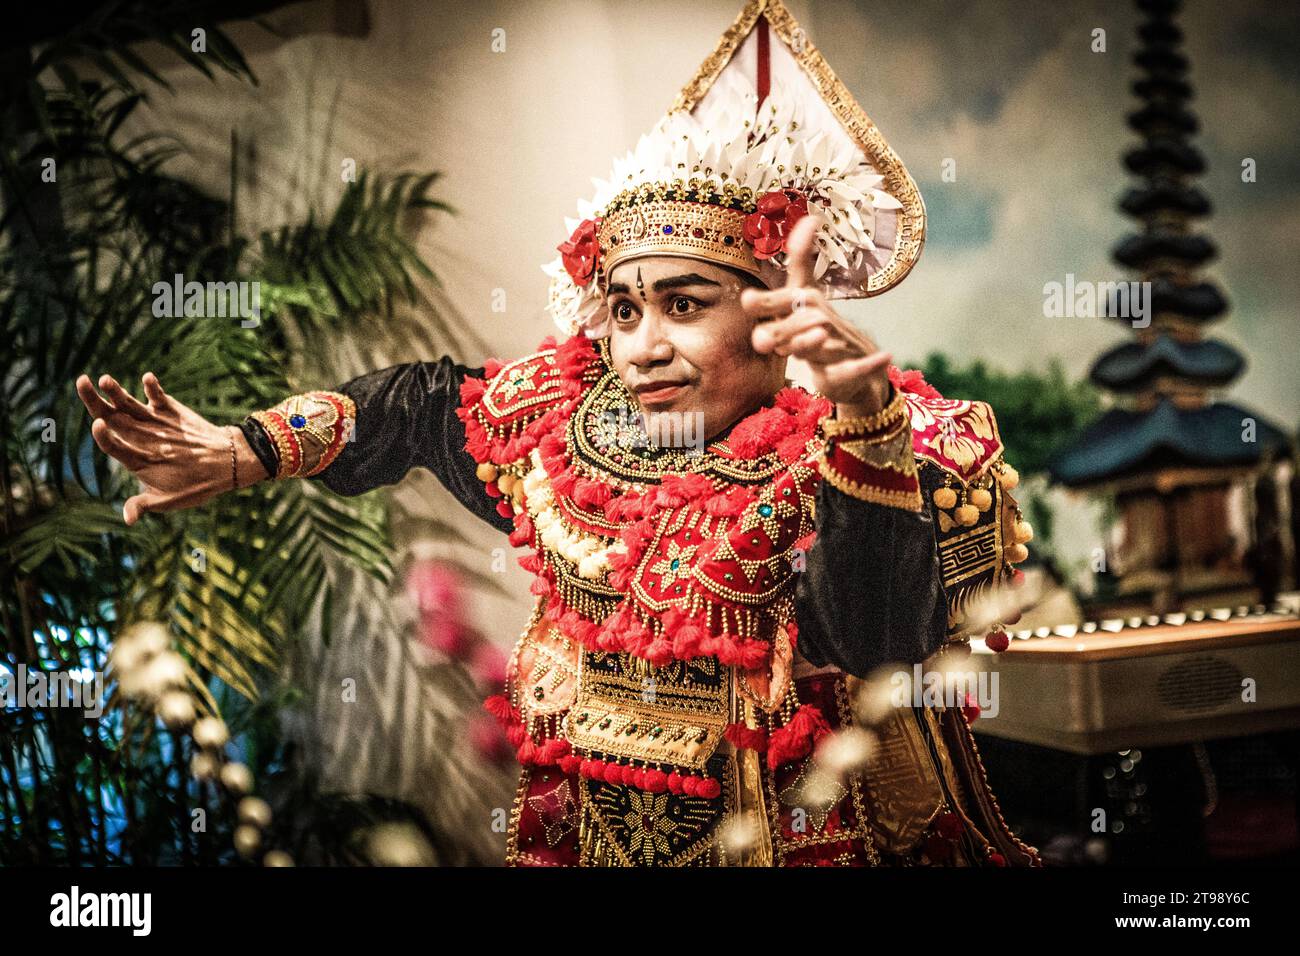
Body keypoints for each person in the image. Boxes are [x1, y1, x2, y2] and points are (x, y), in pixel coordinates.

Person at [75, 0, 1039, 867]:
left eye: (684, 303)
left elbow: (874, 641)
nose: (643, 347)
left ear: (777, 308)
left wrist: (863, 421)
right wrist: (244, 450)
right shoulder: (565, 429)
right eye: (622, 310)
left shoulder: (902, 448)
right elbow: (414, 403)